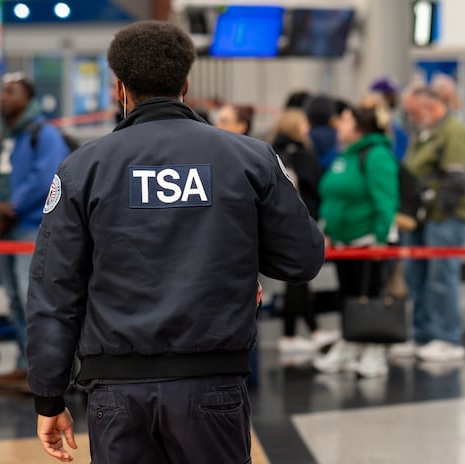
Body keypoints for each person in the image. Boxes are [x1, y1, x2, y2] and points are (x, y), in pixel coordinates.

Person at [25, 20, 325, 463]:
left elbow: (54, 290)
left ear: (120, 89)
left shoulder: (83, 169)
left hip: (116, 396)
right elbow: (302, 259)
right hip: (212, 387)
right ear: (186, 84)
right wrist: (232, 240)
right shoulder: (248, 158)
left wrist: (48, 397)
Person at [0, 72, 71, 389]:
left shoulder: (44, 134)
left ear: (27, 98)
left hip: (32, 229)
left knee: (34, 299)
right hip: (6, 230)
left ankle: (47, 370)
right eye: (2, 91)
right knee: (14, 299)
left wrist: (12, 207)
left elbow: (46, 178)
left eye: (11, 91)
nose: (3, 97)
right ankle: (26, 363)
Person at [313, 104, 399, 378]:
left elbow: (386, 200)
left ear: (360, 126)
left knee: (370, 296)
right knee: (349, 297)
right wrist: (326, 231)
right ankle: (350, 342)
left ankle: (375, 350)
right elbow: (331, 196)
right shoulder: (345, 156)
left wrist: (381, 239)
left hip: (368, 241)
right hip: (343, 243)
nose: (339, 125)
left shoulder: (376, 155)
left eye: (346, 120)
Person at [390, 86, 465, 363]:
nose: (411, 117)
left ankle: (447, 337)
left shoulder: (453, 132)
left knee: (441, 277)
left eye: (414, 112)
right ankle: (423, 334)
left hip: (444, 218)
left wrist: (432, 206)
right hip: (420, 219)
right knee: (416, 274)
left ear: (431, 107)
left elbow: (457, 179)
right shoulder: (423, 134)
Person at [271, 108, 339, 355]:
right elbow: (312, 186)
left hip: (279, 223)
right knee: (296, 280)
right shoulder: (300, 154)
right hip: (297, 222)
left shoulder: (271, 151)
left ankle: (310, 331)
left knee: (298, 280)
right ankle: (293, 334)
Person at [369, 76, 409, 161]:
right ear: (382, 97)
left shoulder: (390, 118)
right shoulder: (378, 120)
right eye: (392, 95)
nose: (395, 98)